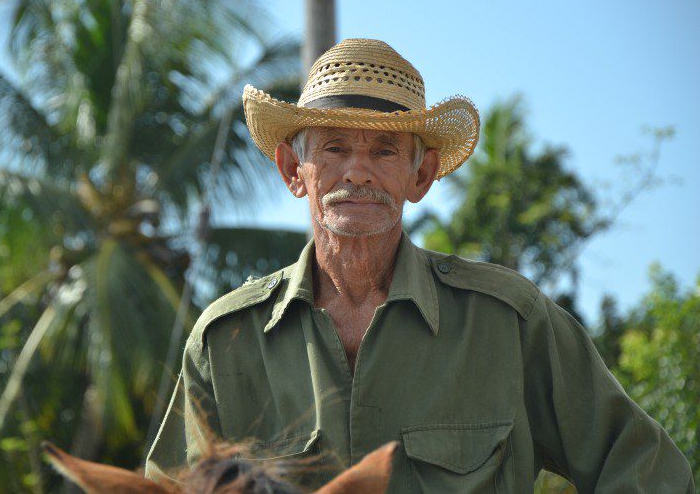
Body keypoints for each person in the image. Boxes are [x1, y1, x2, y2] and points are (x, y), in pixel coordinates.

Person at [146, 38, 695, 493]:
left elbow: (648, 472)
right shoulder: (226, 339)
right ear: (294, 169)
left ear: (421, 174)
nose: (358, 172)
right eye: (334, 148)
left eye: (385, 151)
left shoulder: (508, 322)